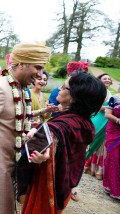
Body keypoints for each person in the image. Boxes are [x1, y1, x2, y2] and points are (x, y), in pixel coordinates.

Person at [0, 42, 51, 213]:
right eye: (38, 67)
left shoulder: (21, 88)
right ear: (21, 64)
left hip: (14, 163)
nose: (40, 75)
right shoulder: (0, 88)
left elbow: (19, 122)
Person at [19, 71, 106, 213]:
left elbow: (38, 148)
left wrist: (38, 136)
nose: (59, 89)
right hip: (65, 183)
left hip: (46, 186)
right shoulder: (86, 123)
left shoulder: (58, 126)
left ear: (74, 96)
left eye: (63, 86)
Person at [84, 73, 112, 180]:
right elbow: (94, 106)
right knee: (89, 141)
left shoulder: (110, 93)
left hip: (105, 122)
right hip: (96, 119)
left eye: (109, 79)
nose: (108, 80)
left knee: (96, 143)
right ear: (99, 80)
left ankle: (86, 163)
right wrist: (108, 108)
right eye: (105, 78)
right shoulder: (95, 91)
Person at [103, 85, 120, 200]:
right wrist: (118, 120)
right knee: (114, 158)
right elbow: (107, 114)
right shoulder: (115, 98)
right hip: (114, 132)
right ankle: (112, 187)